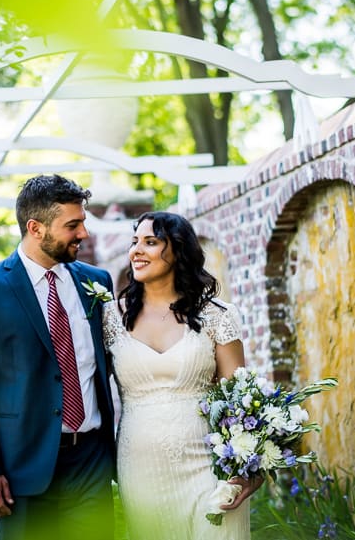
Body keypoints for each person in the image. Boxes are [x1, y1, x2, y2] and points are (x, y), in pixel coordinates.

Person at [0, 174, 117, 540]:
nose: (83, 234)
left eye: (83, 222)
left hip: (91, 463)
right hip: (19, 468)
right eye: (72, 225)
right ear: (35, 228)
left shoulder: (97, 282)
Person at [102, 211, 262, 540]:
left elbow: (238, 398)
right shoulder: (110, 317)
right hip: (142, 471)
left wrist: (248, 469)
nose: (136, 251)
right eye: (134, 242)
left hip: (211, 469)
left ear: (178, 250)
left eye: (150, 242)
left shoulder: (218, 315)